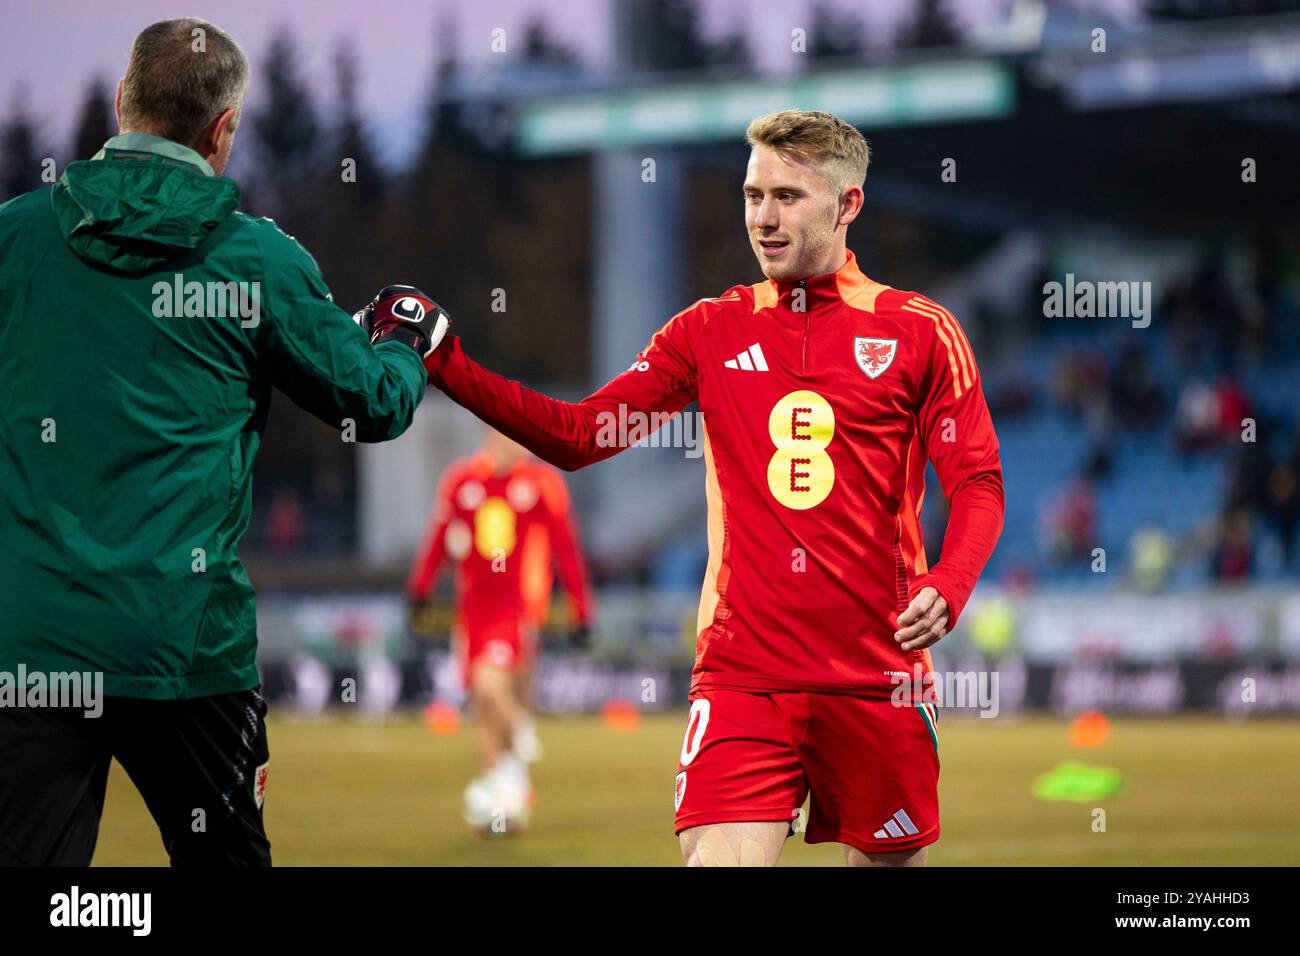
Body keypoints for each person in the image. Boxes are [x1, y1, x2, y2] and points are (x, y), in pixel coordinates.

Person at [420, 110, 1004, 866]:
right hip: (743, 676)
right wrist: (448, 362)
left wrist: (951, 585)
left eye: (788, 197)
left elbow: (979, 480)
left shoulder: (922, 332)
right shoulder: (708, 331)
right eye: (753, 194)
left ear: (848, 204)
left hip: (878, 676)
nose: (763, 217)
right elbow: (578, 435)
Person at [0, 18, 444, 866]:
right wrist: (403, 336)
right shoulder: (255, 262)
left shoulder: (15, 238)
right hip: (183, 647)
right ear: (224, 130)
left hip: (33, 642)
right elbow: (376, 402)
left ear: (124, 101)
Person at [408, 429, 593, 832]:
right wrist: (419, 591)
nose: (524, 440)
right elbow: (438, 537)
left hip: (519, 610)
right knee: (484, 705)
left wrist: (582, 609)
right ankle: (504, 804)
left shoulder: (542, 483)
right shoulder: (462, 481)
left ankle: (521, 745)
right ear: (494, 433)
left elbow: (566, 546)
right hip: (472, 610)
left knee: (494, 686)